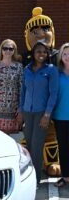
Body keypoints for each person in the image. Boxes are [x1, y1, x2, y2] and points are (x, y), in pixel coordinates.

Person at [18, 41, 59, 184]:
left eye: (44, 51)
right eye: (38, 51)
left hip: (42, 113)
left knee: (37, 145)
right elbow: (23, 92)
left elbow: (53, 93)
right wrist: (21, 111)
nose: (41, 54)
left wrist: (47, 115)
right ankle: (28, 175)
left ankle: (35, 180)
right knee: (29, 145)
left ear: (47, 54)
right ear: (33, 54)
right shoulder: (27, 70)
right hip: (28, 113)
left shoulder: (51, 70)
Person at [52, 43, 69, 187]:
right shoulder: (56, 73)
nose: (67, 56)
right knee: (63, 147)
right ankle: (65, 177)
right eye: (64, 54)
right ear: (60, 56)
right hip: (60, 117)